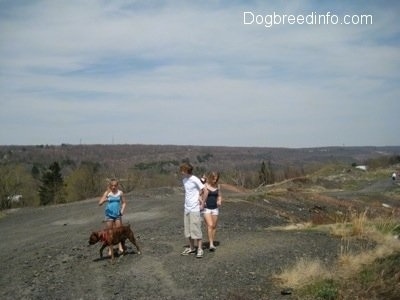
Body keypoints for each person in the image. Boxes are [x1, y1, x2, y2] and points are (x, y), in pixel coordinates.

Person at [179, 162, 206, 258]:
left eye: (182, 170)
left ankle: (199, 249)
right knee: (188, 230)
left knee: (196, 229)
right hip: (187, 208)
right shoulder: (184, 180)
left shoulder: (195, 179)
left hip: (195, 208)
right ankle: (191, 248)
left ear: (186, 170)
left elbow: (204, 189)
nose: (181, 172)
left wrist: (202, 201)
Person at [98, 179, 127, 255]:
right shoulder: (107, 193)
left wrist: (122, 210)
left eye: (115, 185)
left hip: (117, 215)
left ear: (117, 186)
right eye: (112, 185)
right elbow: (100, 203)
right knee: (109, 233)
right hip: (109, 215)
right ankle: (110, 249)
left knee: (119, 232)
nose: (113, 187)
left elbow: (124, 203)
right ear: (110, 185)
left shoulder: (120, 193)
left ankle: (120, 246)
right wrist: (105, 199)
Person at [202, 171, 222, 251]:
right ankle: (210, 244)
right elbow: (199, 195)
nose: (215, 179)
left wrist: (219, 201)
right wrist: (202, 202)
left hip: (215, 208)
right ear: (210, 177)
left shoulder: (218, 186)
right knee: (210, 225)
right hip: (207, 208)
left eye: (216, 178)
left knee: (214, 226)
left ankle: (212, 242)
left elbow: (219, 196)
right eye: (213, 178)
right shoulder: (205, 186)